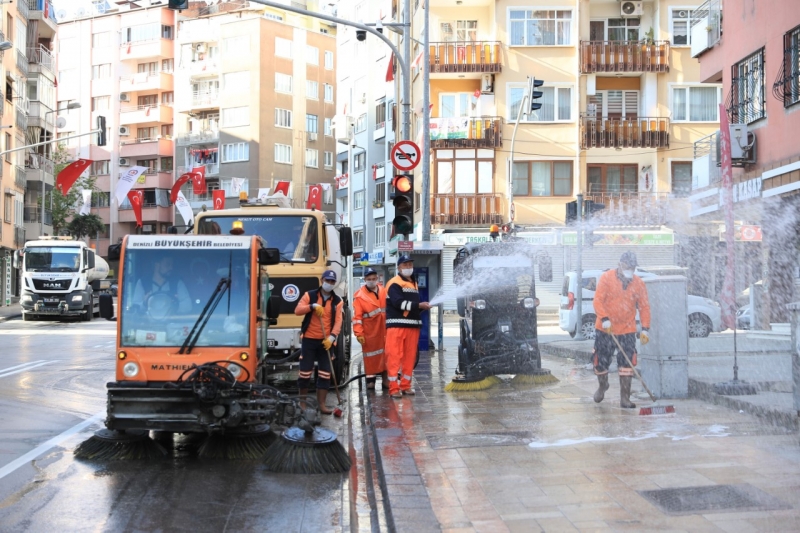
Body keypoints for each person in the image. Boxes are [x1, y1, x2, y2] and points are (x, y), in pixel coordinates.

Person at [591, 251, 651, 409]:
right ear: (620, 264)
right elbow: (598, 300)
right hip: (606, 328)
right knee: (601, 362)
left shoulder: (638, 283)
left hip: (627, 329)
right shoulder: (606, 278)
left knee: (627, 364)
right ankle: (603, 386)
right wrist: (604, 318)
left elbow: (644, 307)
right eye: (627, 266)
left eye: (632, 267)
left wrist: (645, 328)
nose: (629, 270)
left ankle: (625, 398)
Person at [294, 269, 343, 414]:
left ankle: (321, 404)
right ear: (322, 280)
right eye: (327, 280)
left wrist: (332, 338)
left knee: (325, 373)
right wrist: (312, 307)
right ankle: (302, 404)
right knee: (304, 373)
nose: (329, 283)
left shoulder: (338, 301)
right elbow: (297, 310)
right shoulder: (310, 295)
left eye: (332, 281)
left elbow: (338, 322)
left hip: (326, 342)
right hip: (309, 339)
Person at [384, 255, 431, 399]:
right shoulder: (394, 283)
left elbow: (411, 307)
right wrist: (419, 305)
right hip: (397, 326)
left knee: (409, 357)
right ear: (398, 268)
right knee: (394, 356)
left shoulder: (413, 282)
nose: (408, 267)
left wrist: (422, 307)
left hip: (412, 326)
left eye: (410, 264)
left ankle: (406, 385)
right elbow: (398, 303)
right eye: (405, 265)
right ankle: (393, 388)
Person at [353, 268, 387, 391]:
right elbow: (357, 318)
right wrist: (359, 333)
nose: (371, 281)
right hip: (370, 331)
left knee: (386, 355)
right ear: (365, 280)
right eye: (369, 279)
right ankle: (370, 380)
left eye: (373, 279)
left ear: (377, 279)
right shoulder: (360, 296)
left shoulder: (384, 291)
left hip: (385, 329)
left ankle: (386, 379)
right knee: (370, 357)